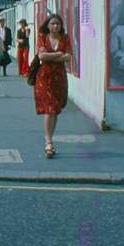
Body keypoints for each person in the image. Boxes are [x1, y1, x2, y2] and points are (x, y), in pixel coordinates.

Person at [34, 13, 72, 158]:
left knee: (55, 110)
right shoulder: (42, 37)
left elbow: (68, 57)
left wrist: (51, 55)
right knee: (49, 109)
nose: (55, 26)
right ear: (48, 25)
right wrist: (59, 54)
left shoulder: (65, 38)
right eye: (53, 24)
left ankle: (50, 138)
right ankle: (48, 142)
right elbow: (41, 56)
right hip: (44, 77)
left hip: (59, 78)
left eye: (58, 24)